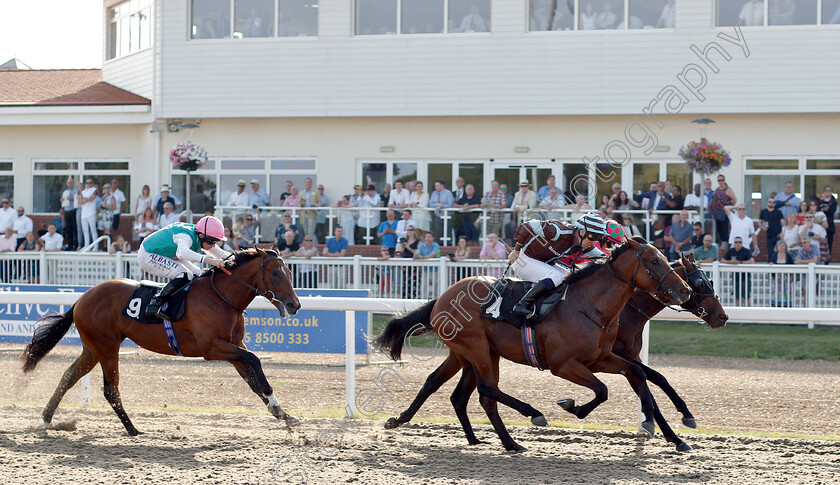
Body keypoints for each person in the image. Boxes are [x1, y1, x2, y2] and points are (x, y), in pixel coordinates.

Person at [510, 213, 607, 318]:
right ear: (582, 232)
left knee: (570, 277)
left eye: (598, 238)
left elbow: (604, 257)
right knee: (556, 276)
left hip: (541, 264)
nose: (594, 242)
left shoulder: (584, 243)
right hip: (523, 260)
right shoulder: (558, 231)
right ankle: (522, 304)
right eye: (593, 236)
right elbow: (527, 225)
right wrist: (516, 250)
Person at [139, 216, 229, 320]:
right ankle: (156, 304)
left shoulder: (199, 235)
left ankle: (186, 304)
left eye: (215, 242)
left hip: (165, 254)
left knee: (196, 272)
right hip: (148, 254)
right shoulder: (185, 236)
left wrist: (238, 257)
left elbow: (221, 253)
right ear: (201, 236)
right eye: (211, 242)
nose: (213, 245)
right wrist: (210, 260)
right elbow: (182, 253)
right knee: (183, 274)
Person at [722, 237, 754, 306]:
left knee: (746, 296)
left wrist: (740, 262)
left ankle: (748, 311)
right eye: (736, 242)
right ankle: (738, 309)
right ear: (734, 243)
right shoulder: (731, 251)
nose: (738, 244)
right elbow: (722, 260)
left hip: (745, 277)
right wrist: (731, 262)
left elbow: (752, 261)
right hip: (735, 277)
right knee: (737, 296)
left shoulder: (746, 251)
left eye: (739, 242)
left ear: (742, 243)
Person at [708, 175, 736, 249]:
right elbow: (713, 199)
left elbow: (734, 199)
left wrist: (730, 207)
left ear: (724, 180)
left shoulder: (728, 190)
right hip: (718, 212)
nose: (720, 182)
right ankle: (720, 242)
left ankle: (725, 243)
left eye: (722, 180)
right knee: (719, 228)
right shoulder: (717, 189)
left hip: (725, 212)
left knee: (724, 228)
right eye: (719, 180)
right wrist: (709, 208)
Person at [768, 240, 794, 307]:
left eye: (783, 245)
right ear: (777, 247)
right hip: (777, 278)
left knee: (787, 293)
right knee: (776, 293)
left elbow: (792, 266)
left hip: (786, 278)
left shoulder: (788, 256)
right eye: (779, 245)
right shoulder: (774, 255)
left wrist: (791, 276)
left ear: (785, 247)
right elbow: (771, 263)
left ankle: (787, 306)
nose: (781, 247)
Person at [76, 179, 99, 249]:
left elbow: (92, 199)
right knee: (85, 230)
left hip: (91, 213)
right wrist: (85, 199)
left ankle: (95, 246)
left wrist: (84, 199)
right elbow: (80, 202)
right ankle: (87, 246)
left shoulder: (95, 190)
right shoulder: (84, 191)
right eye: (87, 183)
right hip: (84, 213)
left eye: (90, 183)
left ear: (92, 183)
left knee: (93, 230)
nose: (89, 184)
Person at [299, 177, 321, 243]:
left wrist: (316, 205)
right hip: (304, 214)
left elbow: (320, 202)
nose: (308, 183)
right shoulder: (301, 193)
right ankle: (306, 246)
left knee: (311, 232)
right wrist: (301, 204)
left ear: (311, 183)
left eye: (309, 182)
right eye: (307, 182)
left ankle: (311, 246)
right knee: (306, 232)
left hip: (312, 214)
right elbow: (298, 204)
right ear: (304, 183)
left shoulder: (316, 192)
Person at [818, 185, 837, 261]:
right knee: (820, 245)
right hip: (820, 226)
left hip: (829, 227)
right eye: (826, 190)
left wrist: (826, 210)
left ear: (831, 192)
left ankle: (827, 262)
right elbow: (818, 211)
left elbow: (832, 212)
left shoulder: (834, 202)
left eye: (829, 191)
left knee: (828, 246)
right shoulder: (820, 201)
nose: (827, 192)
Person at [61, 178, 78, 250]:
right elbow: (63, 200)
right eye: (68, 183)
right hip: (67, 211)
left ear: (73, 184)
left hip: (73, 211)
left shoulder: (75, 191)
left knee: (75, 229)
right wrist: (61, 200)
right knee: (69, 229)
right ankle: (70, 245)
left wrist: (72, 198)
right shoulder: (65, 191)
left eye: (71, 183)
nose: (69, 184)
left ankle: (76, 245)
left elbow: (78, 199)